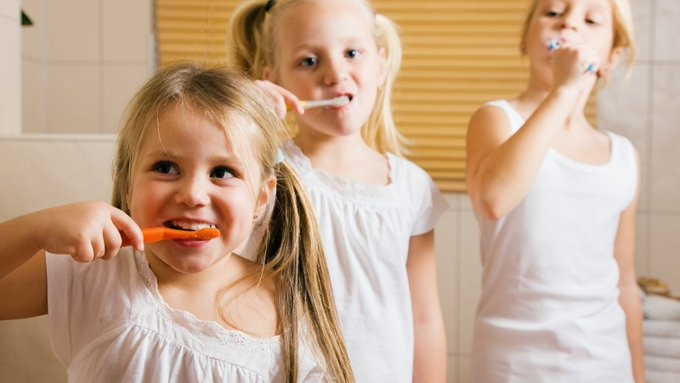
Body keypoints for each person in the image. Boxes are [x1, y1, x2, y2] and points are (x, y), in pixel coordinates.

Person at [0, 62, 354, 383]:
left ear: (261, 199)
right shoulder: (94, 273)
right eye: (166, 168)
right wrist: (36, 229)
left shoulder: (290, 307)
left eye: (222, 172)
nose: (193, 195)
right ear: (127, 184)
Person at [227, 1, 448, 381]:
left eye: (352, 53)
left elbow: (425, 319)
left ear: (380, 64)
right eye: (309, 61)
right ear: (275, 78)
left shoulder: (412, 188)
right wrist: (245, 116)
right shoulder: (266, 173)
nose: (335, 73)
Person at [465, 0, 645, 381]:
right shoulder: (497, 119)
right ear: (525, 40)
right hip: (512, 364)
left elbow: (625, 282)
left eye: (591, 19)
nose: (568, 24)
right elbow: (493, 200)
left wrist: (638, 373)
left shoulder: (623, 157)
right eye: (552, 13)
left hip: (605, 364)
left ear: (611, 58)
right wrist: (562, 93)